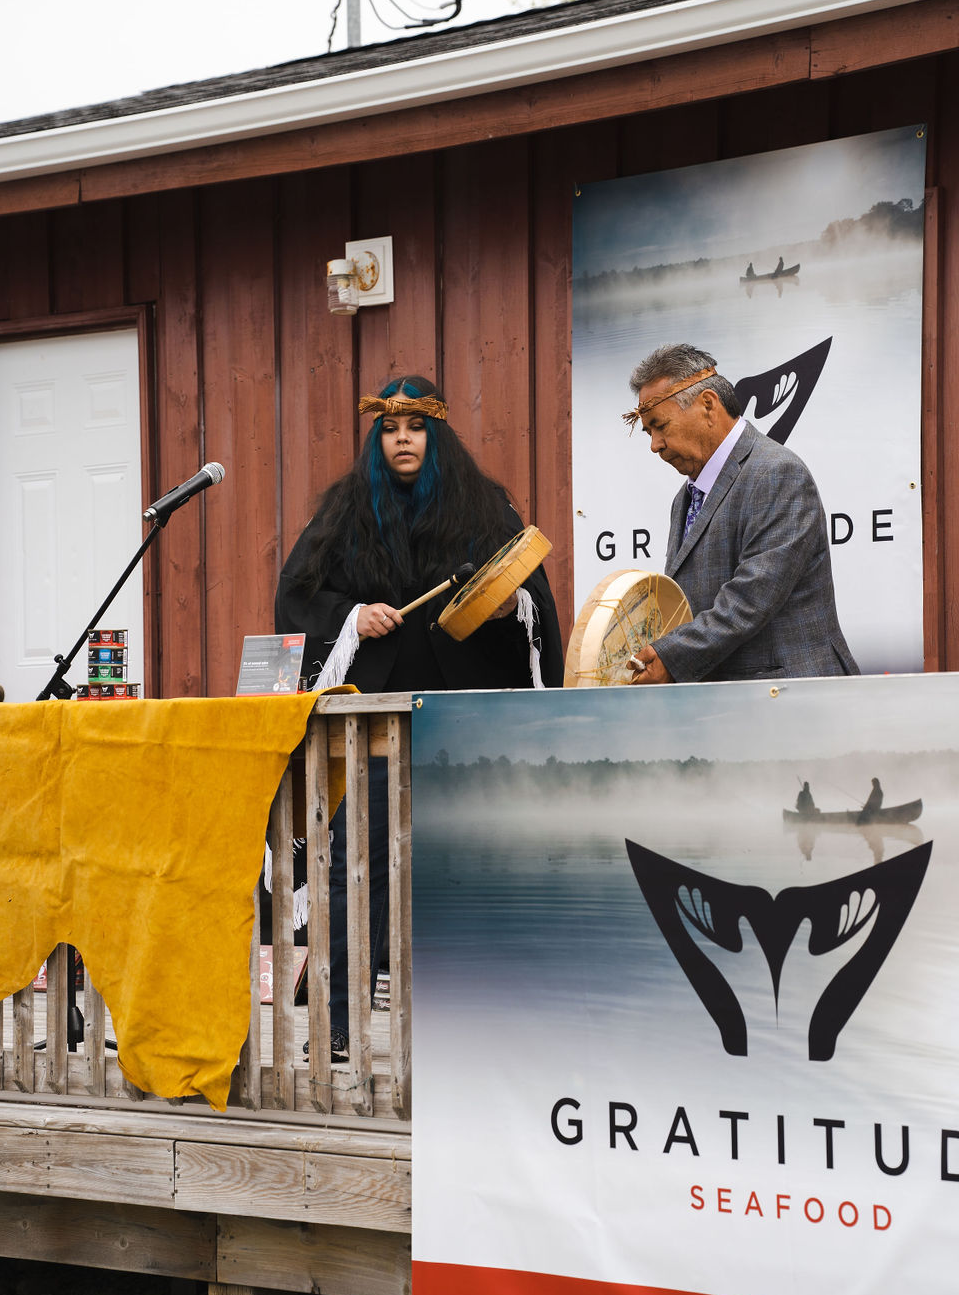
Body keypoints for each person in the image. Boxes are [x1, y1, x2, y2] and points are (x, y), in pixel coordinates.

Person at [275, 374, 563, 1059]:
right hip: (376, 725)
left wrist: (506, 607)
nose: (402, 439)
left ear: (436, 435)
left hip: (466, 725)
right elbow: (296, 595)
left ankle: (481, 1028)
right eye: (390, 429)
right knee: (354, 869)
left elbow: (535, 599)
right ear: (379, 439)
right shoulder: (346, 510)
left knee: (474, 865)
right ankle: (338, 1027)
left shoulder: (484, 506)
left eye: (415, 428)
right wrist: (353, 615)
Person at [623, 343, 859, 685]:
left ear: (707, 404)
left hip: (793, 700)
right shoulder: (685, 497)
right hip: (734, 707)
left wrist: (669, 658)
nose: (654, 444)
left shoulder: (777, 473)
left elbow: (749, 600)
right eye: (648, 432)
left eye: (660, 425)